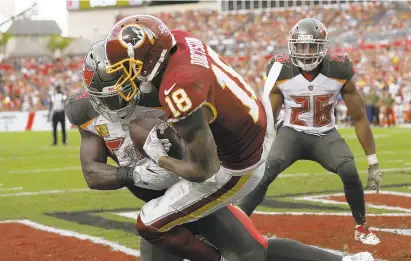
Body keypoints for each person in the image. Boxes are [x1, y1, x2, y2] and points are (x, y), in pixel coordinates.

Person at [102, 14, 375, 261]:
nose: (126, 73)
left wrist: (160, 159)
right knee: (251, 250)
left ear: (151, 58)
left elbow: (202, 170)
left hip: (235, 166)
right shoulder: (183, 39)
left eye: (128, 65)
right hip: (253, 132)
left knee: (149, 223)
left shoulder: (178, 89)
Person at [237, 18, 382, 246]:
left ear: (323, 46)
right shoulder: (279, 69)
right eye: (300, 46)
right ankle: (237, 225)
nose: (305, 52)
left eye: (311, 46)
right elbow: (270, 115)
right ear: (291, 45)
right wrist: (258, 147)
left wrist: (372, 162)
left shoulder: (339, 68)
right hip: (291, 133)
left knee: (349, 170)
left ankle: (361, 227)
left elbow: (359, 117)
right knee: (266, 171)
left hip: (325, 134)